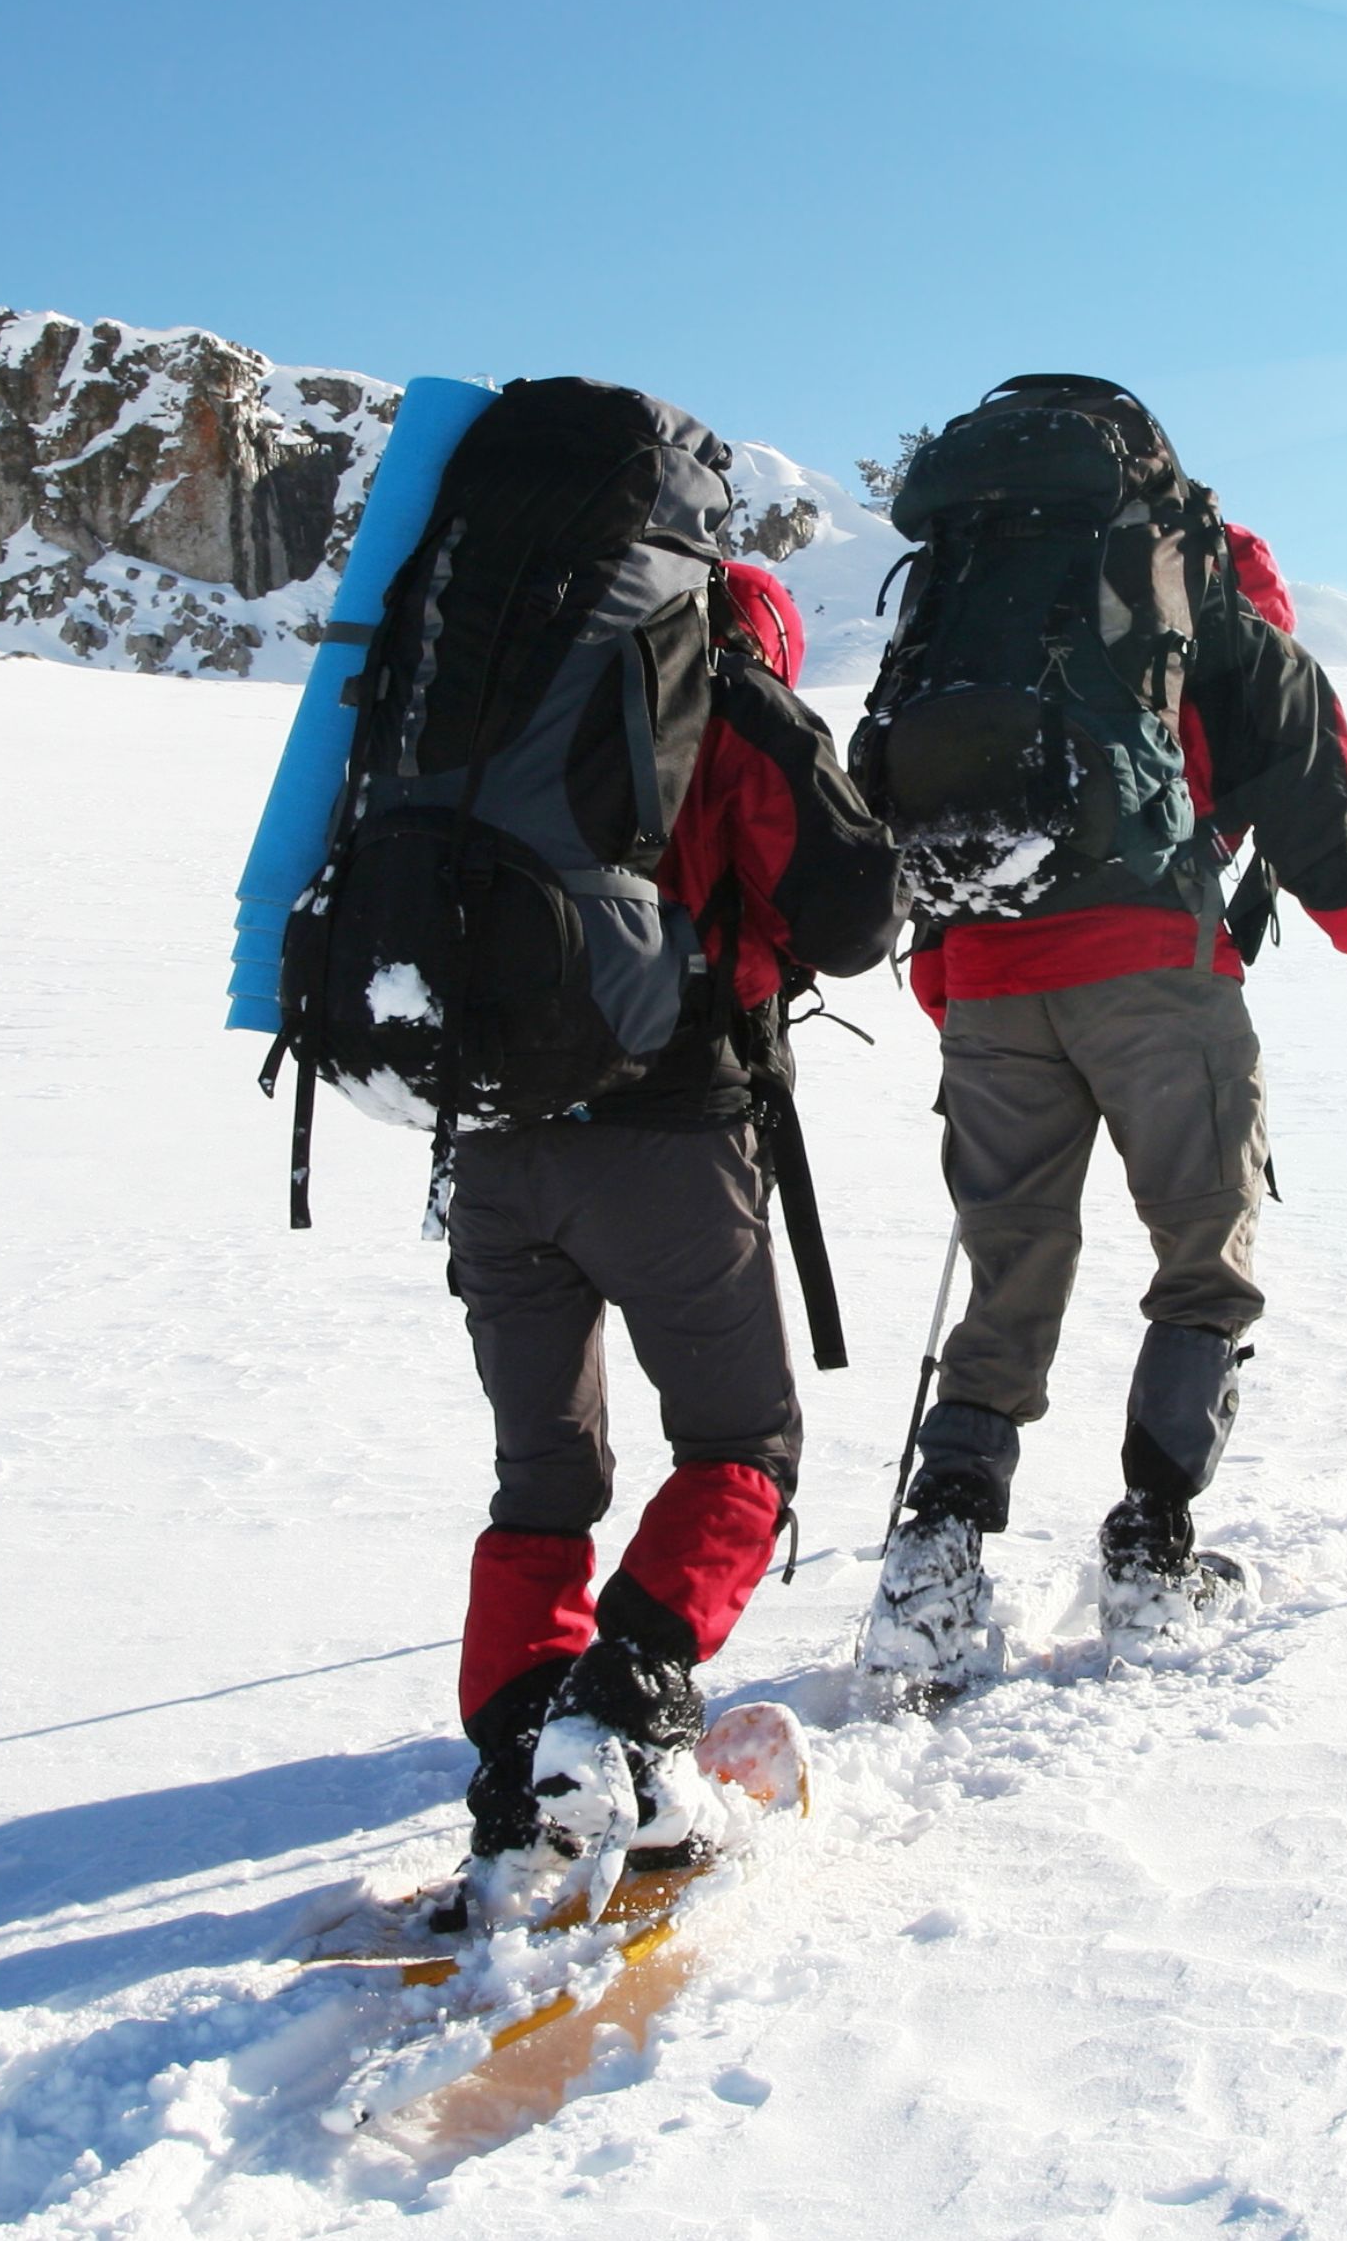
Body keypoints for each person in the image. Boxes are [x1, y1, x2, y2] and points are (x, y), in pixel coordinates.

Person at [859, 376, 1347, 1686]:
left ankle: (937, 1560)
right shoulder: (1201, 572)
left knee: (1008, 1271)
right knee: (1204, 1259)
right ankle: (1151, 1549)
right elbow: (1316, 799)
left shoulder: (968, 584)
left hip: (983, 975)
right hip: (1155, 968)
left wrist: (957, 979)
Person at [452, 556, 900, 1920]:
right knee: (738, 1449)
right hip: (666, 1141)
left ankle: (522, 1793)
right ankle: (624, 1717)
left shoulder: (486, 687)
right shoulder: (722, 692)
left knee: (543, 1479)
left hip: (485, 1143)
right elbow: (856, 908)